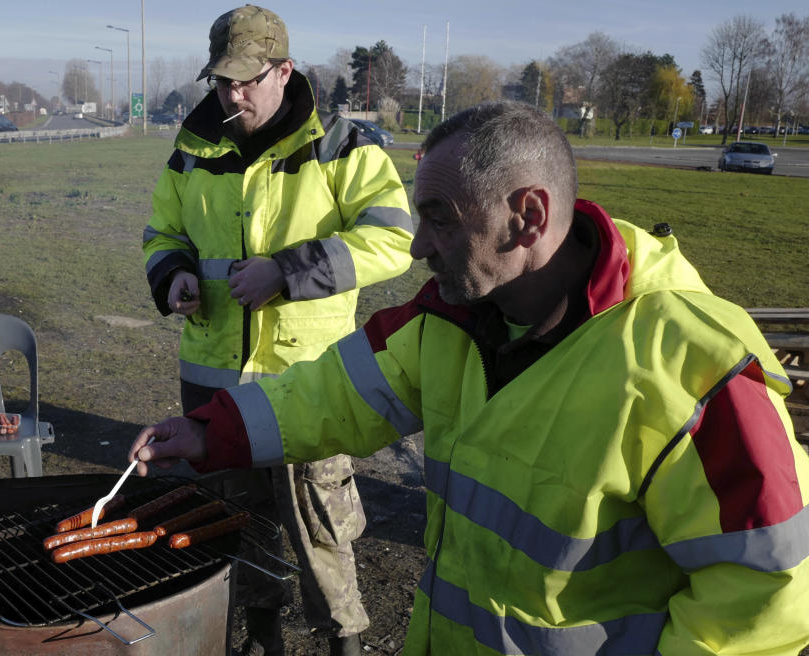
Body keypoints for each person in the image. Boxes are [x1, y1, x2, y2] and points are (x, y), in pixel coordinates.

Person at [133, 100, 809, 655]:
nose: (419, 247)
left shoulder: (690, 366)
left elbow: (768, 596)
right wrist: (207, 430)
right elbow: (333, 394)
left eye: (438, 220)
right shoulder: (450, 317)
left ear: (529, 217)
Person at [141, 5, 413, 655]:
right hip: (213, 382)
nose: (233, 94)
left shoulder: (343, 146)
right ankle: (262, 636)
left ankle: (343, 640)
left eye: (246, 80)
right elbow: (162, 232)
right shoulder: (193, 149)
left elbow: (395, 238)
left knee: (320, 523)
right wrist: (172, 274)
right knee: (237, 524)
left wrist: (288, 272)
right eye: (222, 82)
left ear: (283, 71)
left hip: (310, 383)